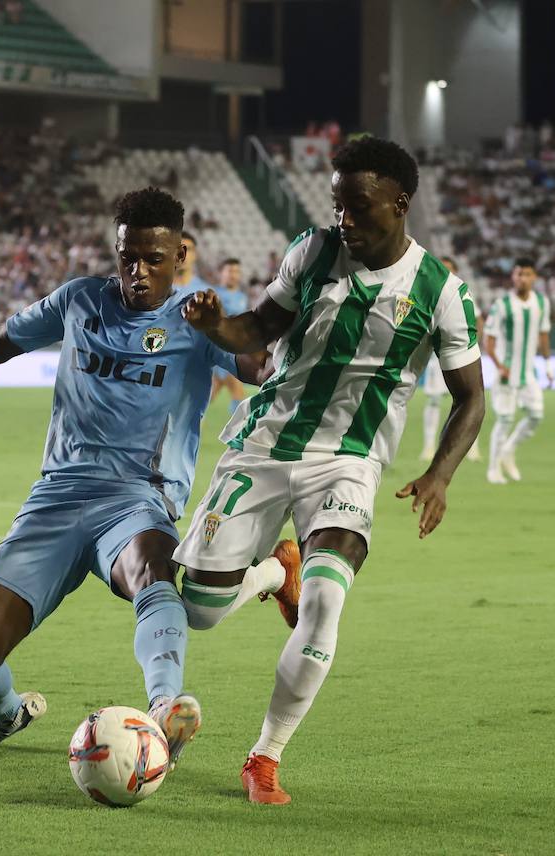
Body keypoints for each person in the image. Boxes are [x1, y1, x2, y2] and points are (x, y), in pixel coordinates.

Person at [0, 187, 263, 765]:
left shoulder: (198, 320)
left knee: (152, 569)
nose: (137, 271)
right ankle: (8, 712)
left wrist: (223, 331)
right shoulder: (80, 300)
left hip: (137, 498)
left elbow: (262, 368)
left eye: (152, 260)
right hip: (56, 497)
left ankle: (165, 709)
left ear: (180, 257)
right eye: (126, 256)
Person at [176, 137, 485, 805]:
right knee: (198, 609)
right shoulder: (313, 251)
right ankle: (267, 572)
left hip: (349, 462)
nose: (344, 217)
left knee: (323, 607)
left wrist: (439, 474)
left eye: (358, 205)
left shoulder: (441, 291)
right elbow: (258, 328)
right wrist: (214, 327)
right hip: (264, 444)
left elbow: (471, 396)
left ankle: (265, 755)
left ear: (399, 203)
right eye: (338, 203)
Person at [484, 258, 553, 484]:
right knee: (505, 419)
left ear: (534, 277)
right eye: (519, 274)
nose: (522, 278)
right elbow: (489, 339)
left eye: (527, 274)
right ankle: (493, 469)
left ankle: (508, 450)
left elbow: (543, 335)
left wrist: (548, 364)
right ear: (513, 277)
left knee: (536, 415)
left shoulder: (542, 303)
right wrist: (499, 365)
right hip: (506, 373)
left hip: (528, 372)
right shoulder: (502, 304)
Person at [419, 256, 483, 463]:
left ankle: (471, 447)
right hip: (434, 359)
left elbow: (478, 319)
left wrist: (472, 345)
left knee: (469, 398)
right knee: (435, 400)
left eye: (449, 269)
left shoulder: (461, 294)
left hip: (458, 355)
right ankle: (429, 445)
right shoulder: (427, 294)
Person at [208, 257, 255, 414]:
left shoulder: (241, 297)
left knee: (210, 396)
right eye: (230, 271)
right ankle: (241, 434)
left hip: (234, 351)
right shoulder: (213, 294)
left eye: (236, 271)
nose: (233, 275)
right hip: (219, 352)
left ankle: (186, 426)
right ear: (221, 273)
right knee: (239, 395)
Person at [173, 231, 213, 296]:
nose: (183, 254)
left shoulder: (205, 291)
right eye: (178, 249)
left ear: (195, 254)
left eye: (188, 249)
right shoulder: (157, 289)